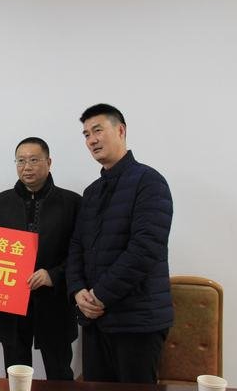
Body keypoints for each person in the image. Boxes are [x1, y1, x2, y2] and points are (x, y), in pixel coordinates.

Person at [66, 104, 173, 384]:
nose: (92, 140)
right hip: (96, 321)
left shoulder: (150, 182)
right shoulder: (92, 192)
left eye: (97, 130)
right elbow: (76, 246)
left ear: (121, 130)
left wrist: (99, 295)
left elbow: (145, 248)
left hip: (137, 322)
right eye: (86, 134)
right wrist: (78, 291)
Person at [0, 137, 81, 380]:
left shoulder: (71, 203)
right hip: (11, 303)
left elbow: (81, 253)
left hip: (55, 301)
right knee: (16, 375)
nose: (26, 167)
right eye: (21, 161)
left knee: (60, 374)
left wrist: (53, 275)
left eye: (34, 160)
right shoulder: (1, 202)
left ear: (49, 162)